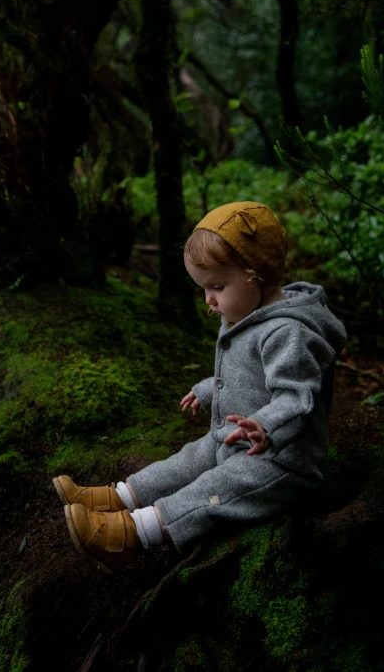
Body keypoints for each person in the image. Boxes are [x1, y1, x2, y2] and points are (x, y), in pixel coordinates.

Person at [54, 201, 346, 574]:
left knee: (215, 487)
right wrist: (209, 389)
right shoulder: (246, 313)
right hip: (232, 439)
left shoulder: (288, 332)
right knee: (187, 460)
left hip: (280, 461)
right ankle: (118, 497)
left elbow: (296, 394)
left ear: (257, 274)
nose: (209, 301)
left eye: (217, 287)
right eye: (203, 289)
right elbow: (248, 373)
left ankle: (130, 535)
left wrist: (268, 427)